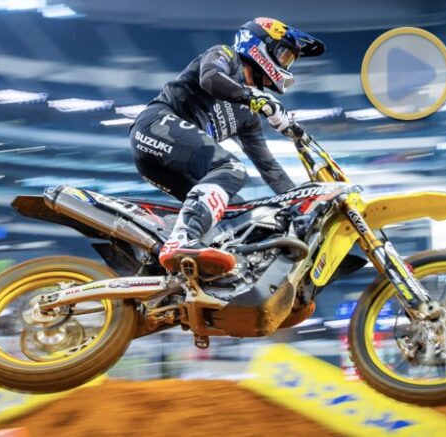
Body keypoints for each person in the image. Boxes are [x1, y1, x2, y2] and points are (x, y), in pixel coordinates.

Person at [129, 17, 326, 275]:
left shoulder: (247, 117)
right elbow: (210, 78)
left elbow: (270, 169)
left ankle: (176, 276)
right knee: (231, 168)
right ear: (260, 45)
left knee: (237, 212)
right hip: (156, 125)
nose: (286, 64)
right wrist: (254, 97)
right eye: (284, 55)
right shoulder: (226, 55)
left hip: (164, 162)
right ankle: (182, 241)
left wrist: (299, 204)